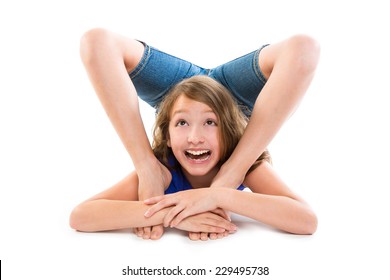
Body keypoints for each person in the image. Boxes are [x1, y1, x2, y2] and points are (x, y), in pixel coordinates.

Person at [74, 28, 320, 240]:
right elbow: (80, 216)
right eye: (181, 124)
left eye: (210, 123)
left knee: (305, 47)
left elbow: (307, 221)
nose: (194, 137)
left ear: (229, 131)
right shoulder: (167, 169)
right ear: (167, 136)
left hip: (224, 103)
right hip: (182, 97)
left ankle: (230, 169)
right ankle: (150, 161)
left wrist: (218, 195)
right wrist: (174, 214)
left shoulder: (250, 168)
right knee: (95, 40)